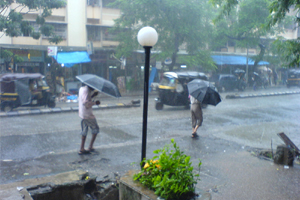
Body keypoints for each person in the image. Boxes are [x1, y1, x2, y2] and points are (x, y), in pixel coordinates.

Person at [78, 84, 101, 155]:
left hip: (82, 113)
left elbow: (85, 99)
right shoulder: (86, 91)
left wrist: (93, 95)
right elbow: (86, 103)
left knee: (84, 130)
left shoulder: (82, 88)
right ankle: (90, 146)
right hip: (88, 115)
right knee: (95, 129)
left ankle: (82, 148)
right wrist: (95, 103)